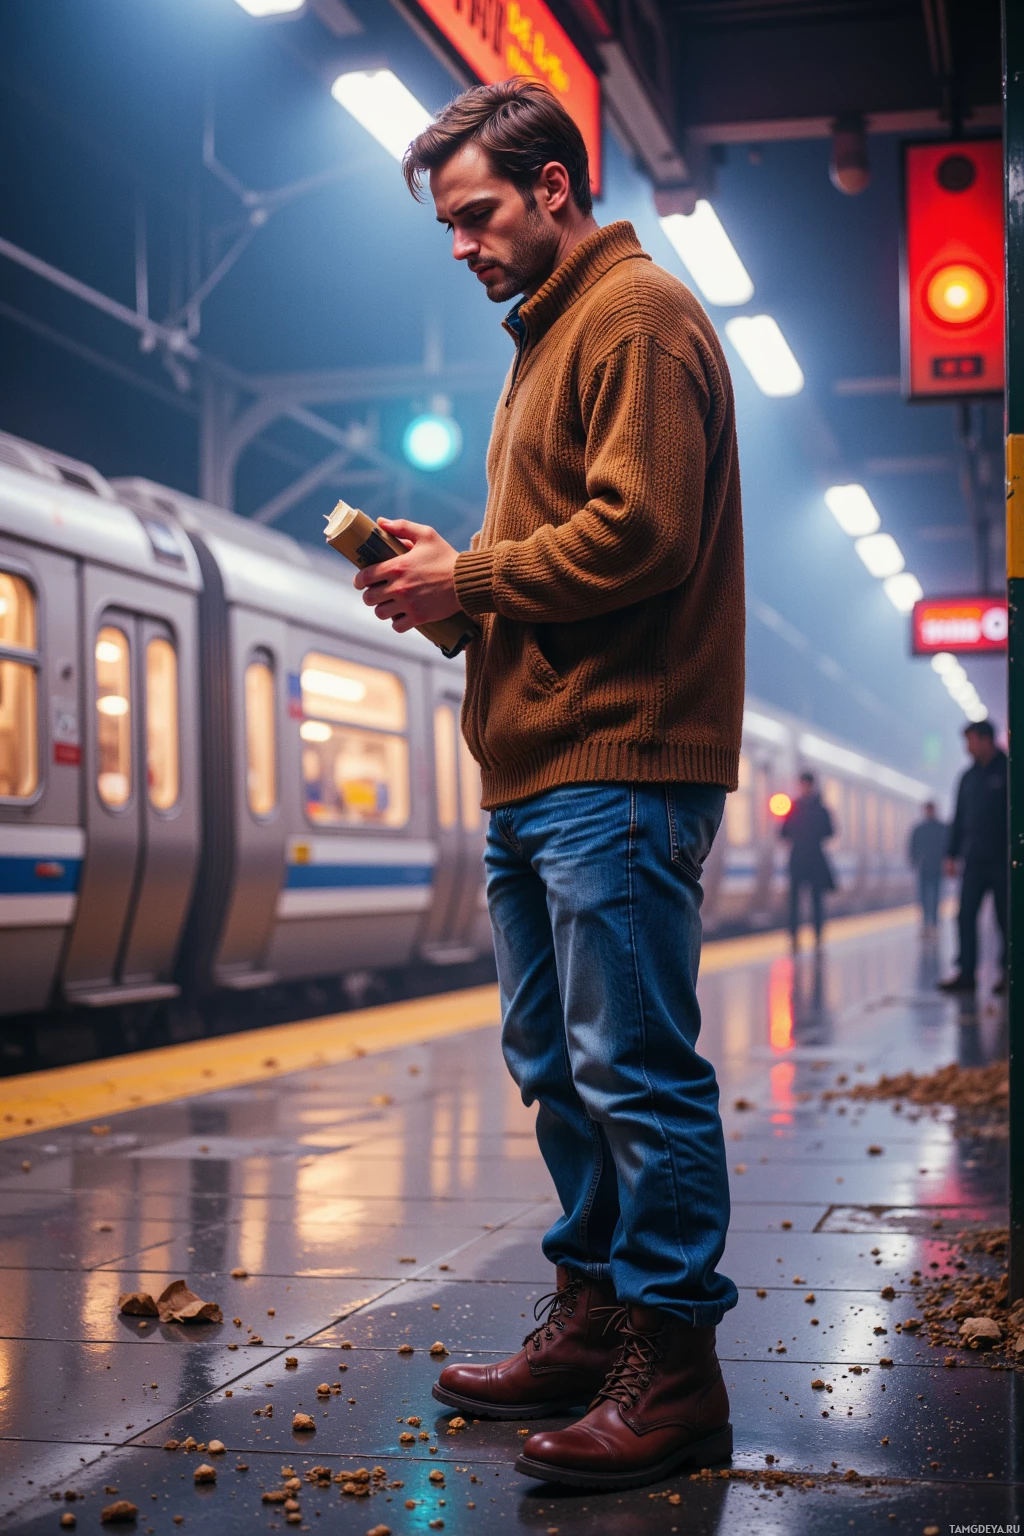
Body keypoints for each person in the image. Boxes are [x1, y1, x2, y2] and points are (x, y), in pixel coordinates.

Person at [350, 79, 743, 1489]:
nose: (462, 245)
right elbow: (566, 561)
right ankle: (594, 1318)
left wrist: (478, 569)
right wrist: (451, 586)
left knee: (635, 1072)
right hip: (540, 766)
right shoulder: (553, 336)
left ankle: (676, 1367)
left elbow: (645, 536)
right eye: (450, 225)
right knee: (561, 1068)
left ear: (558, 187)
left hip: (617, 761)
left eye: (477, 215)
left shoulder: (634, 314)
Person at [938, 720, 1007, 995]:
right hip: (974, 860)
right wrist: (952, 854)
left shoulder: (1009, 770)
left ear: (986, 740)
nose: (967, 748)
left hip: (1003, 859)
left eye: (970, 741)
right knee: (965, 915)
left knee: (1006, 918)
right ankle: (967, 972)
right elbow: (959, 820)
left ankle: (1008, 971)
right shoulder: (968, 777)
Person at [780, 772, 836, 947]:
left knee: (814, 900)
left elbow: (784, 832)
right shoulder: (821, 808)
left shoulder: (797, 808)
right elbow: (783, 832)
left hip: (804, 858)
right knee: (797, 901)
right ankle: (794, 936)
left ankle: (817, 934)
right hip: (807, 858)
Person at [907, 801, 948, 935]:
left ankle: (932, 924)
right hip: (930, 868)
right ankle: (928, 924)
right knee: (928, 897)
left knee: (931, 897)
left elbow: (913, 847)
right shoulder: (941, 828)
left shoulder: (920, 829)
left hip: (931, 868)